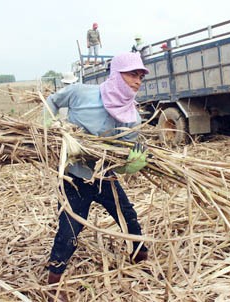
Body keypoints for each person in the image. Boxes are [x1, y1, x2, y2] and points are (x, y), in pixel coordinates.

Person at [44, 52, 150, 301]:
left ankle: (140, 257)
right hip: (74, 179)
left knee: (128, 216)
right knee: (69, 230)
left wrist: (130, 166)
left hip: (105, 178)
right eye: (132, 74)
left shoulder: (132, 116)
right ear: (116, 75)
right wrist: (47, 130)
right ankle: (52, 284)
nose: (138, 81)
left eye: (141, 76)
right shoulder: (81, 93)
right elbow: (52, 100)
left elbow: (120, 158)